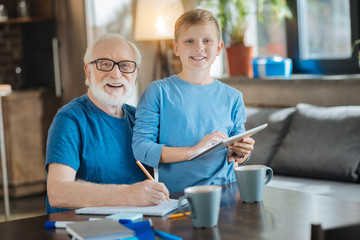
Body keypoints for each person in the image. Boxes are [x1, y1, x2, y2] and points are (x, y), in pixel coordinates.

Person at [132, 9, 255, 193]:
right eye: (189, 41)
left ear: (219, 48)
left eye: (207, 41)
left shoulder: (233, 97)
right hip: (177, 198)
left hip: (227, 193)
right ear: (176, 48)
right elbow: (142, 149)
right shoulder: (158, 92)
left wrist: (243, 152)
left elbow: (237, 155)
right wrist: (194, 150)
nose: (199, 47)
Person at [45, 33, 169, 214]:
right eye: (105, 64)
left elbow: (179, 155)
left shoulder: (140, 118)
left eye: (125, 66)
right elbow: (58, 192)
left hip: (133, 225)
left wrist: (222, 150)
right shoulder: (69, 119)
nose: (116, 74)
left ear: (135, 75)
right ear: (88, 71)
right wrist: (128, 194)